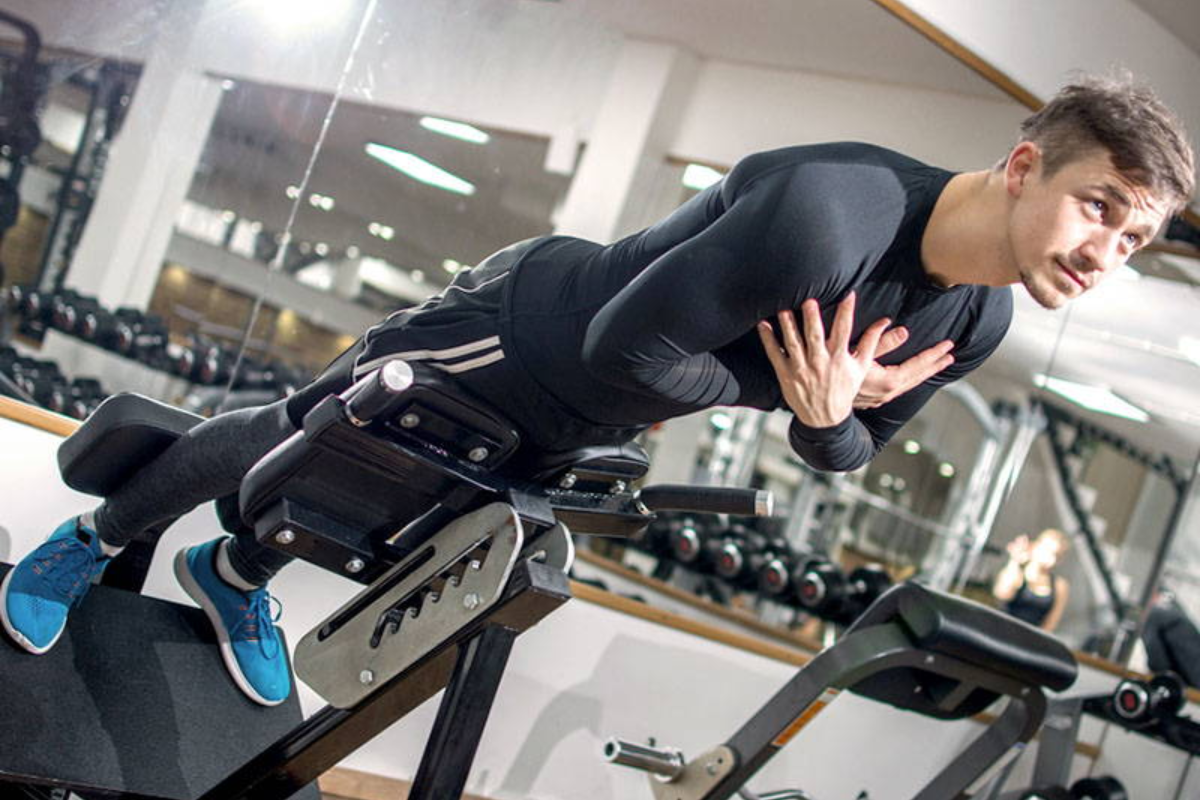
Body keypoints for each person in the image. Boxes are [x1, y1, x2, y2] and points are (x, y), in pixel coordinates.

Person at [1, 74, 1192, 705]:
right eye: (1098, 206)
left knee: (386, 512)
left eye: (1134, 239)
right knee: (310, 437)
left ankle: (233, 570)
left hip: (596, 410)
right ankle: (97, 532)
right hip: (522, 329)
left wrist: (819, 413)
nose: (1103, 251)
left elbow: (849, 449)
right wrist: (788, 397)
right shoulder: (829, 213)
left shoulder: (976, 315)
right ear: (1027, 162)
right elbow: (629, 346)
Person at [992, 528, 1071, 631]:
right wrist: (1015, 562)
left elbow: (1050, 624)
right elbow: (1002, 594)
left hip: (1029, 639)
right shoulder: (1018, 571)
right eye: (1048, 552)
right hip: (1001, 630)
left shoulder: (1060, 585)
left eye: (1057, 556)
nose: (1052, 559)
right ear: (1035, 547)